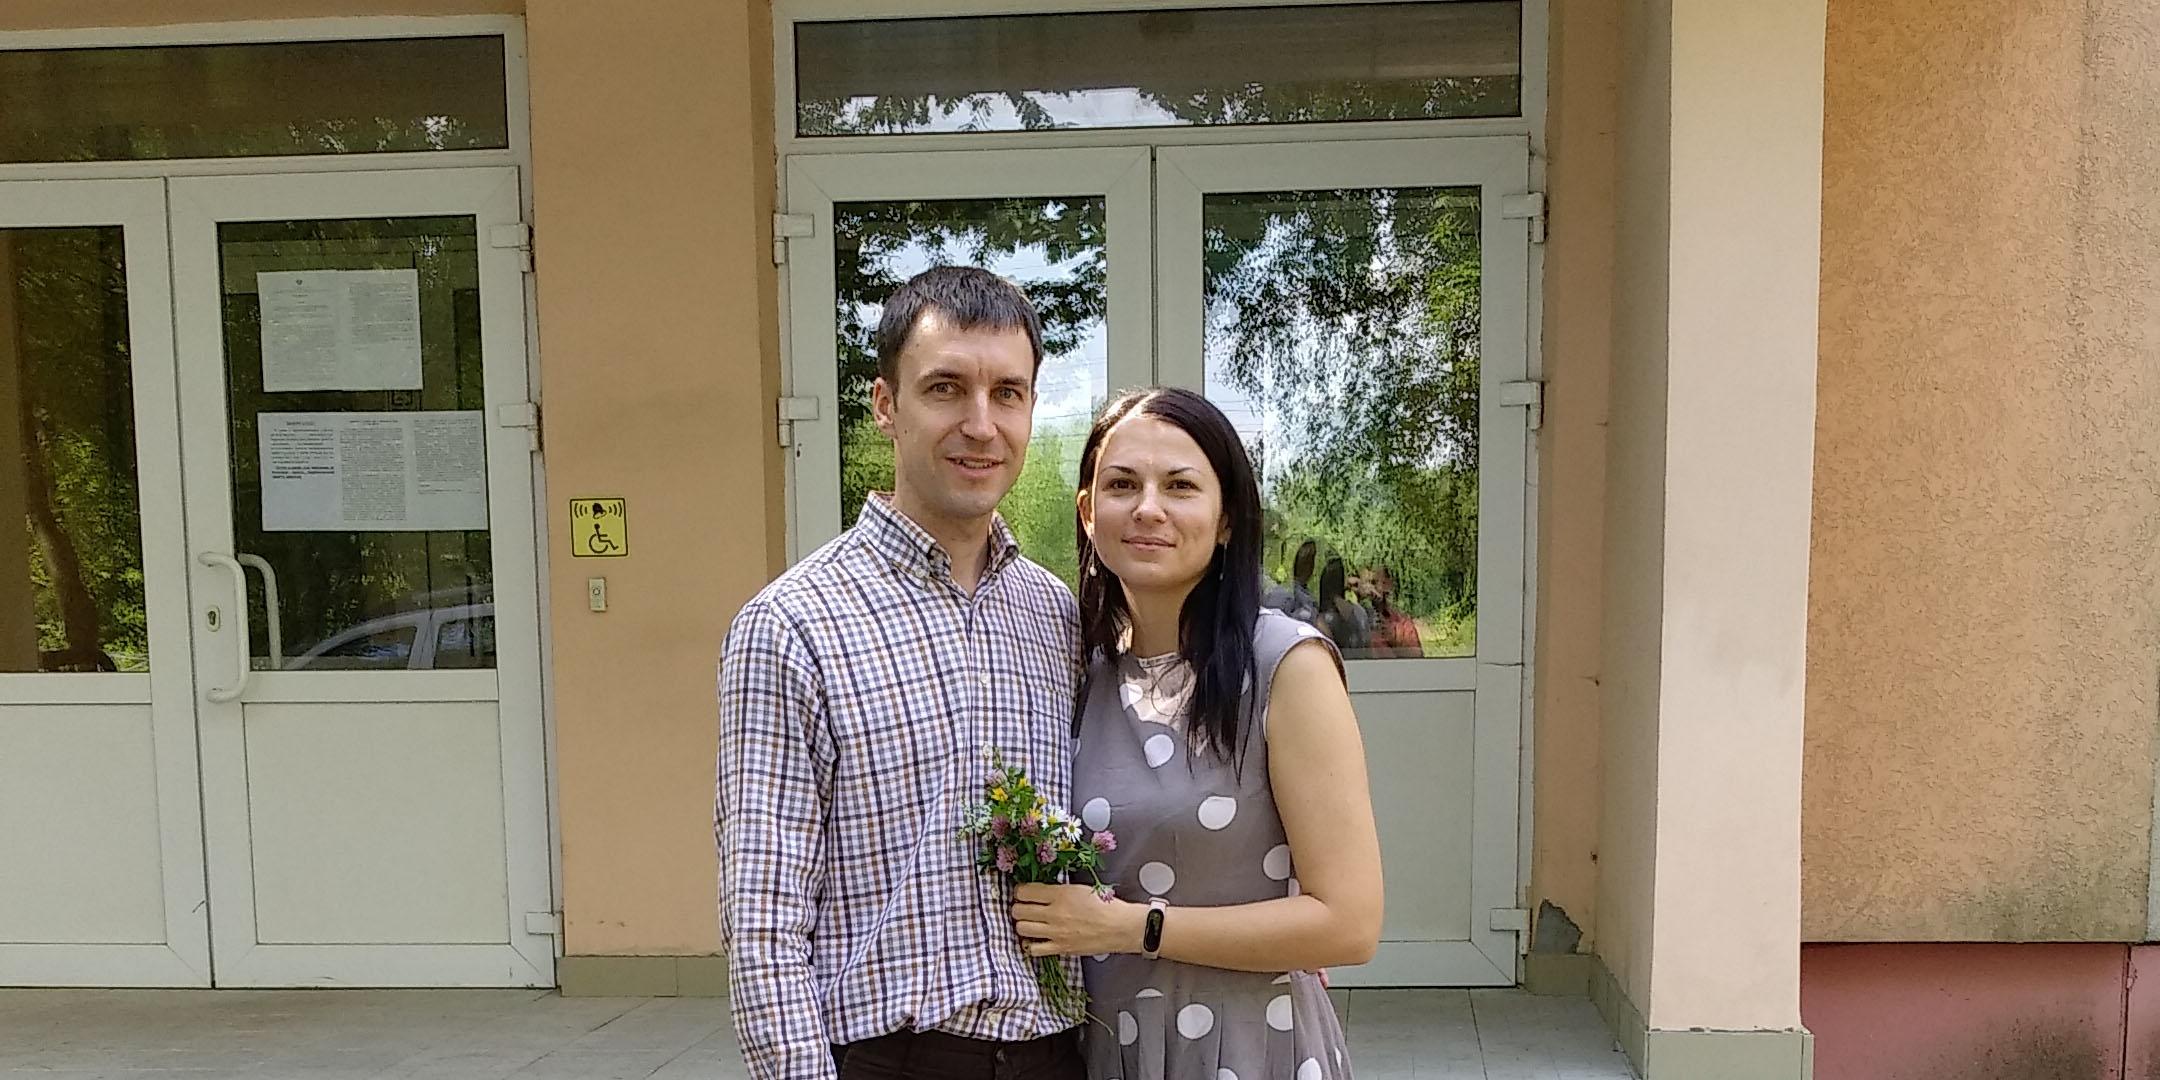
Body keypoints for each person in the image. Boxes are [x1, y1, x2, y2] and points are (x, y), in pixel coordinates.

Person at [717, 266, 1085, 1080]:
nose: (981, 425)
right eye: (946, 389)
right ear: (886, 405)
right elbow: (765, 919)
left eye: (1008, 394)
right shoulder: (792, 626)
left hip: (1053, 1053)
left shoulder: (1055, 615)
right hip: (893, 1057)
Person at [1009, 387, 1383, 1080]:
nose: (1148, 508)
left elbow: (1349, 924)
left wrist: (1134, 928)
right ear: (1088, 513)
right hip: (1109, 1048)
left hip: (1247, 1046)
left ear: (1226, 518)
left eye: (1180, 486)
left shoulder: (1285, 666)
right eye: (1122, 485)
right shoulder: (1077, 672)